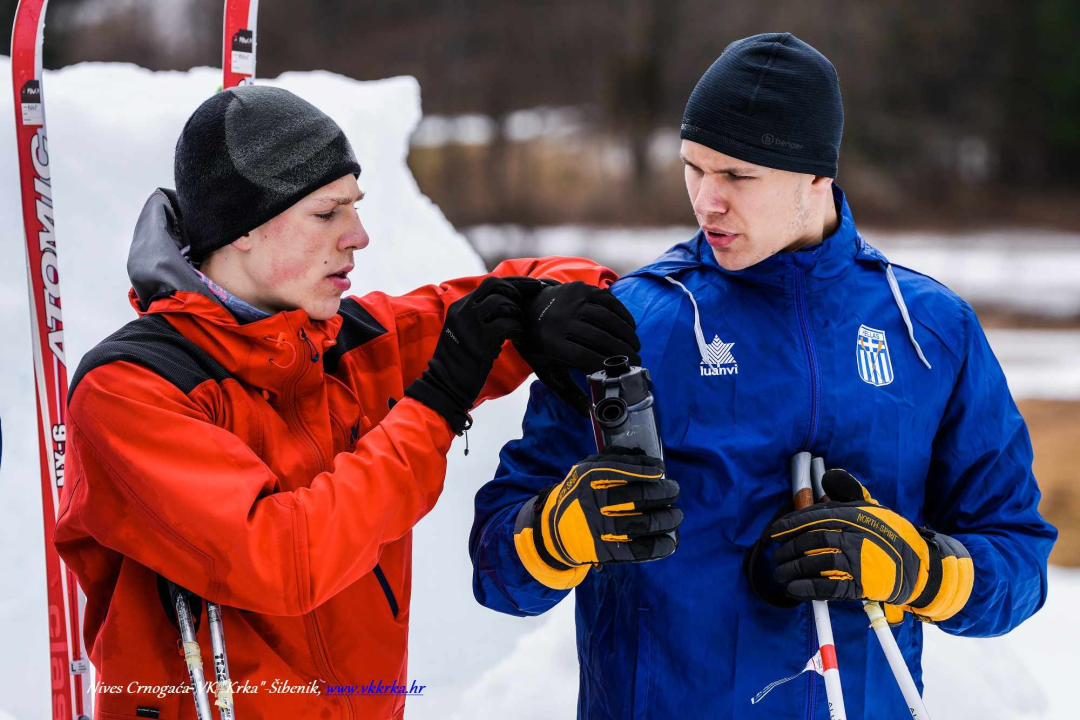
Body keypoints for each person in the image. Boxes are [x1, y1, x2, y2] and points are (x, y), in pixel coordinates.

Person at [470, 33, 1057, 719]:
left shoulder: (930, 330)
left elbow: (1018, 558)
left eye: (738, 177)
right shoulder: (630, 322)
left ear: (816, 176)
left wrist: (920, 569)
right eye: (694, 168)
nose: (706, 201)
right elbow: (495, 568)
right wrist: (555, 533)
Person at [53, 85, 641, 719]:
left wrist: (551, 306)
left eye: (354, 207)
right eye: (328, 213)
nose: (358, 235)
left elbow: (508, 294)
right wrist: (435, 405)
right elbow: (284, 559)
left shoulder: (337, 343)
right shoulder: (130, 391)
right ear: (244, 228)